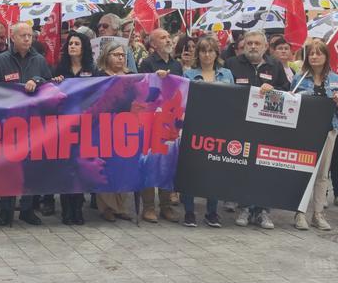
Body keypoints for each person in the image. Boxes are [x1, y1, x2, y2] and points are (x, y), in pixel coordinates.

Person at [0, 21, 53, 226]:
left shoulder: (39, 60)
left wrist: (38, 80)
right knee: (8, 167)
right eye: (22, 35)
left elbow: (50, 85)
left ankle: (27, 209)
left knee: (31, 167)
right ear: (12, 38)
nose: (27, 39)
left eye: (30, 36)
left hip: (34, 123)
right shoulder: (0, 60)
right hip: (9, 122)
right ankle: (6, 210)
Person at [227, 29, 290, 229]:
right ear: (243, 45)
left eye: (257, 43)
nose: (253, 46)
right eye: (249, 43)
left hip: (267, 127)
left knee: (264, 169)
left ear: (265, 47)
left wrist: (274, 91)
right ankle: (245, 207)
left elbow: (288, 92)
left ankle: (263, 211)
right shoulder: (232, 64)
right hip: (241, 126)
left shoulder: (275, 65)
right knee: (244, 168)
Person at [289, 40, 338, 232]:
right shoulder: (299, 77)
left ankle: (318, 214)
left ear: (326, 56)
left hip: (329, 130)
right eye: (310, 53)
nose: (314, 56)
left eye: (318, 53)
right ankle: (300, 213)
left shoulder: (336, 78)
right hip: (305, 130)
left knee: (322, 174)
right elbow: (291, 101)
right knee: (304, 172)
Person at [180, 36, 234, 227]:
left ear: (216, 53)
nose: (207, 54)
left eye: (211, 50)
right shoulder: (188, 75)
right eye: (203, 50)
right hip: (195, 126)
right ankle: (189, 211)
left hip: (219, 128)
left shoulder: (226, 74)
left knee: (214, 169)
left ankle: (212, 212)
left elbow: (234, 100)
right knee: (191, 170)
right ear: (198, 53)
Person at [135, 28, 183, 223]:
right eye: (163, 38)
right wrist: (156, 78)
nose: (168, 40)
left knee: (168, 161)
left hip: (170, 120)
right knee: (149, 162)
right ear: (153, 44)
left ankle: (166, 206)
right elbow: (142, 90)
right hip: (151, 119)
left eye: (168, 36)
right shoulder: (147, 63)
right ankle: (148, 207)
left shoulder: (177, 65)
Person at [52, 30, 96, 224]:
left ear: (83, 47)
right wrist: (55, 83)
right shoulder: (59, 70)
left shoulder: (92, 70)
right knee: (65, 168)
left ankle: (77, 208)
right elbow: (50, 91)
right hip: (63, 126)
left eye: (76, 43)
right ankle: (66, 210)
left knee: (80, 167)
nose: (72, 46)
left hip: (85, 125)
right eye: (70, 43)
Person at [94, 40, 135, 222]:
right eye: (116, 55)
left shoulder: (132, 76)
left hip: (126, 126)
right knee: (106, 167)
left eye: (122, 55)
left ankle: (120, 206)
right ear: (106, 56)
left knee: (124, 167)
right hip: (104, 127)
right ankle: (107, 207)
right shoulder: (99, 76)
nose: (120, 58)